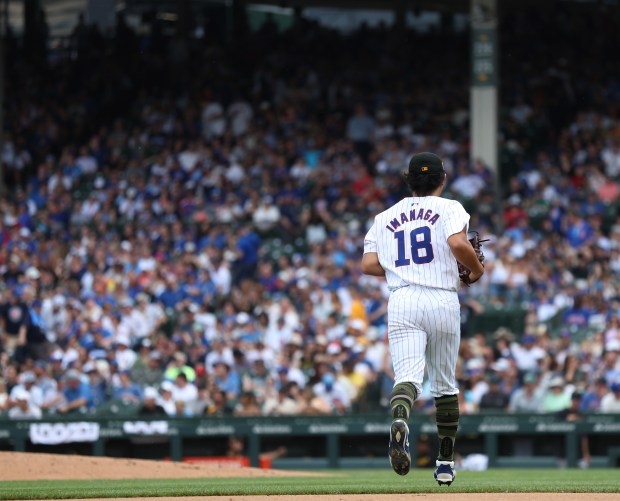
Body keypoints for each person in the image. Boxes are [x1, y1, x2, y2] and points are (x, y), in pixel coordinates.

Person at [361, 152, 485, 485]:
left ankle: (401, 419)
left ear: (408, 180)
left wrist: (403, 267)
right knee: (445, 385)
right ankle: (445, 463)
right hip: (443, 299)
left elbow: (368, 265)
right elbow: (458, 242)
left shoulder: (384, 216)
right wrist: (476, 269)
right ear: (442, 179)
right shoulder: (450, 207)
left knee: (408, 379)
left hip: (402, 299)